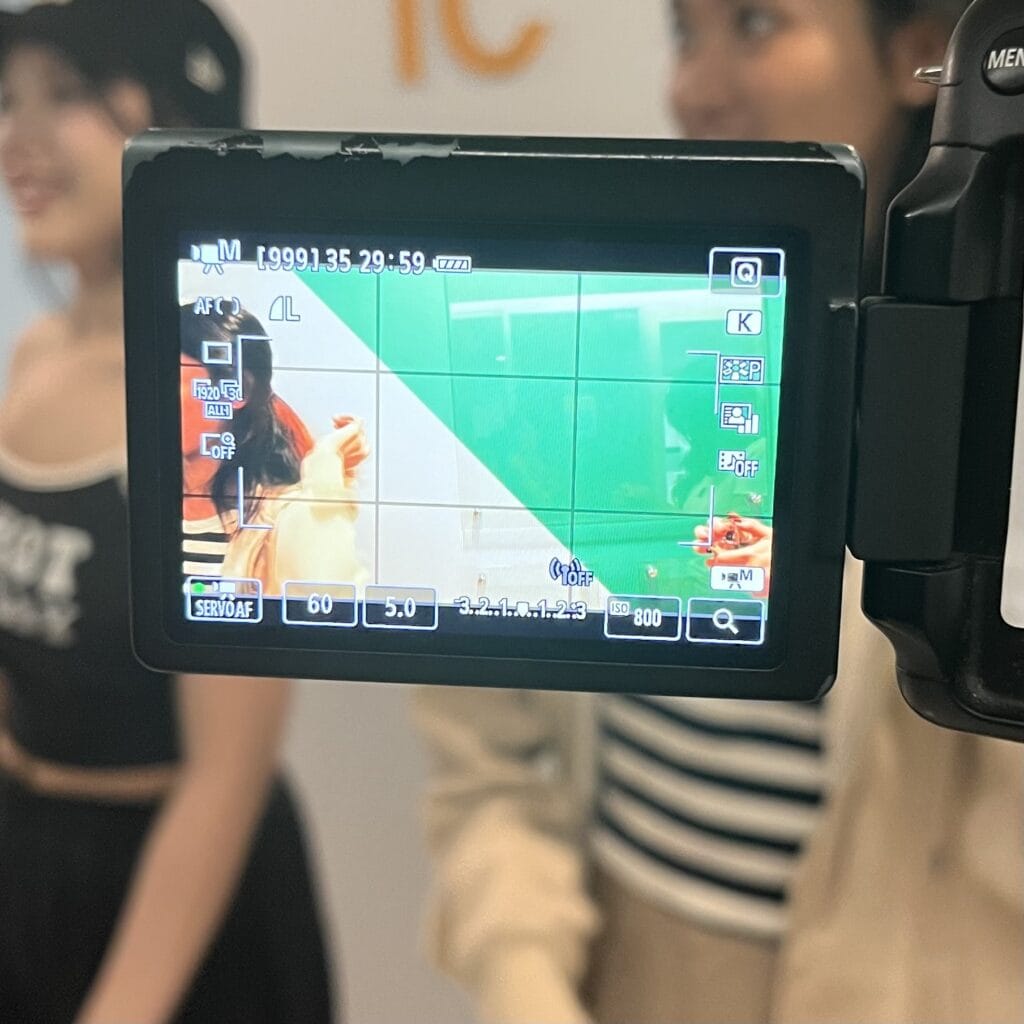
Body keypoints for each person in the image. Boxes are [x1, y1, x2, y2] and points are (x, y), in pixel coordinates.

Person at [413, 2, 1024, 1023]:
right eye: (682, 35)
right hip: (617, 964)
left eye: (754, 23)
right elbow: (487, 742)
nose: (693, 88)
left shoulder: (997, 389)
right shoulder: (598, 325)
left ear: (918, 52)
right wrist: (523, 975)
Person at [0, 3, 336, 1021]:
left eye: (65, 95)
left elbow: (226, 776)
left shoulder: (226, 403)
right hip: (29, 868)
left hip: (181, 911)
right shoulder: (34, 356)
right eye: (7, 101)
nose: (18, 137)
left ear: (178, 123)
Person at [180, 306, 371, 592]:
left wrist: (325, 487)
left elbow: (329, 602)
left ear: (236, 390)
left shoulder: (280, 520)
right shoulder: (137, 495)